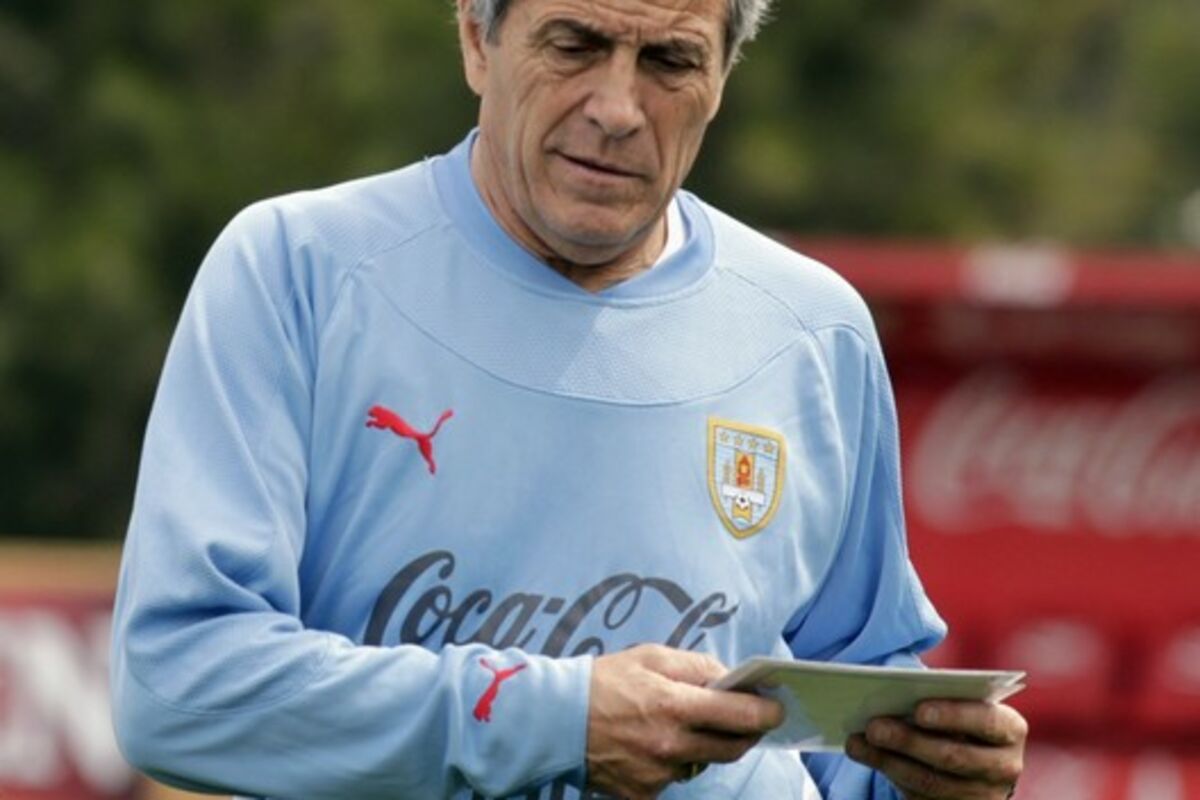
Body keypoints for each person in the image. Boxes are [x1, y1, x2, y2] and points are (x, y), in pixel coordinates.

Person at [110, 0, 1027, 798]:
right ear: (477, 38)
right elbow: (178, 687)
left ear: (722, 77)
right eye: (575, 45)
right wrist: (558, 720)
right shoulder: (298, 272)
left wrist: (933, 774)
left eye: (669, 61)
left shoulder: (814, 332)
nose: (618, 109)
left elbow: (851, 718)